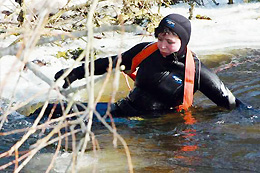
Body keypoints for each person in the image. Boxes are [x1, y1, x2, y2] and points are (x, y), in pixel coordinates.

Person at [54, 13, 241, 117]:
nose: (162, 46)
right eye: (160, 39)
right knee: (54, 110)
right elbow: (111, 63)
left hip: (158, 128)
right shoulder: (147, 51)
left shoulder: (198, 73)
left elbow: (232, 105)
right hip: (123, 112)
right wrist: (75, 73)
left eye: (169, 42)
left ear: (183, 42)